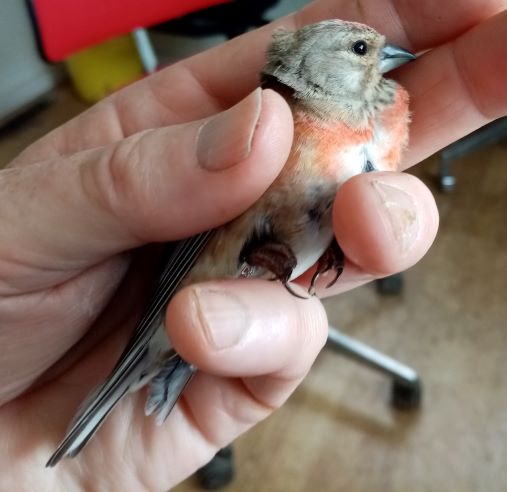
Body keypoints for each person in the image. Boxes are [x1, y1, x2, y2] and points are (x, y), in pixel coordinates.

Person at [0, 0, 505, 490]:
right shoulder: (282, 118)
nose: (385, 55)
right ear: (318, 68)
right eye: (360, 49)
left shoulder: (384, 114)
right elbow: (207, 223)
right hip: (204, 265)